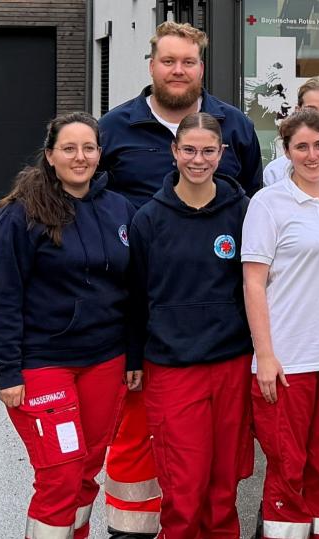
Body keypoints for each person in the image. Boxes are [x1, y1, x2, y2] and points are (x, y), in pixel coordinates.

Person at [97, 21, 263, 535]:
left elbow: (257, 228)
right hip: (159, 339)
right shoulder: (114, 129)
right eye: (168, 61)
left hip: (227, 346)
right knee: (165, 465)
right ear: (151, 65)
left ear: (201, 68)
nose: (178, 70)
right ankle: (131, 529)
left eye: (188, 62)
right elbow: (87, 201)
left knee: (222, 479)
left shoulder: (236, 128)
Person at [0, 112, 137, 539]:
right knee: (61, 474)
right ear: (50, 155)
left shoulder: (119, 208)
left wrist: (134, 354)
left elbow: (134, 289)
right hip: (44, 363)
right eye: (69, 148)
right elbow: (2, 295)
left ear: (100, 154)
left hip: (106, 360)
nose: (80, 157)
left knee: (86, 470)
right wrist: (8, 370)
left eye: (88, 148)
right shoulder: (22, 214)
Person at [126, 112, 253, 538]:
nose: (198, 160)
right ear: (174, 151)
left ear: (222, 153)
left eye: (208, 151)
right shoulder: (148, 219)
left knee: (224, 485)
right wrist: (133, 356)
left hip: (232, 361)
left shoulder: (242, 212)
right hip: (172, 365)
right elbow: (135, 295)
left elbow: (255, 288)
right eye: (190, 150)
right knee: (184, 486)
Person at [242, 109, 319, 538]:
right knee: (287, 466)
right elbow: (253, 283)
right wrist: (265, 355)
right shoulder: (267, 203)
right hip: (288, 358)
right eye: (301, 147)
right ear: (287, 151)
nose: (312, 155)